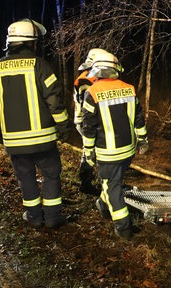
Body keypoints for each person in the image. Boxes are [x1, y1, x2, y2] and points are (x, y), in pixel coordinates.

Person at [0, 19, 71, 229]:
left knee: (25, 177)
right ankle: (53, 218)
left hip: (15, 141)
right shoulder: (40, 65)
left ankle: (34, 217)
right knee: (50, 175)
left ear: (10, 42)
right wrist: (64, 128)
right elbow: (55, 101)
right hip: (44, 140)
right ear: (32, 43)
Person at [81, 50, 149, 240]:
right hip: (127, 151)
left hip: (107, 153)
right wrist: (143, 140)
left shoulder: (92, 93)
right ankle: (103, 205)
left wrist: (88, 152)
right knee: (113, 181)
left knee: (113, 187)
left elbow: (88, 128)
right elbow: (139, 119)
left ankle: (124, 228)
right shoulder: (129, 89)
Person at [73, 48, 110, 195]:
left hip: (90, 120)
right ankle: (86, 183)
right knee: (90, 151)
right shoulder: (86, 80)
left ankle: (98, 181)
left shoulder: (90, 78)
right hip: (86, 121)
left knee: (93, 150)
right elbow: (88, 106)